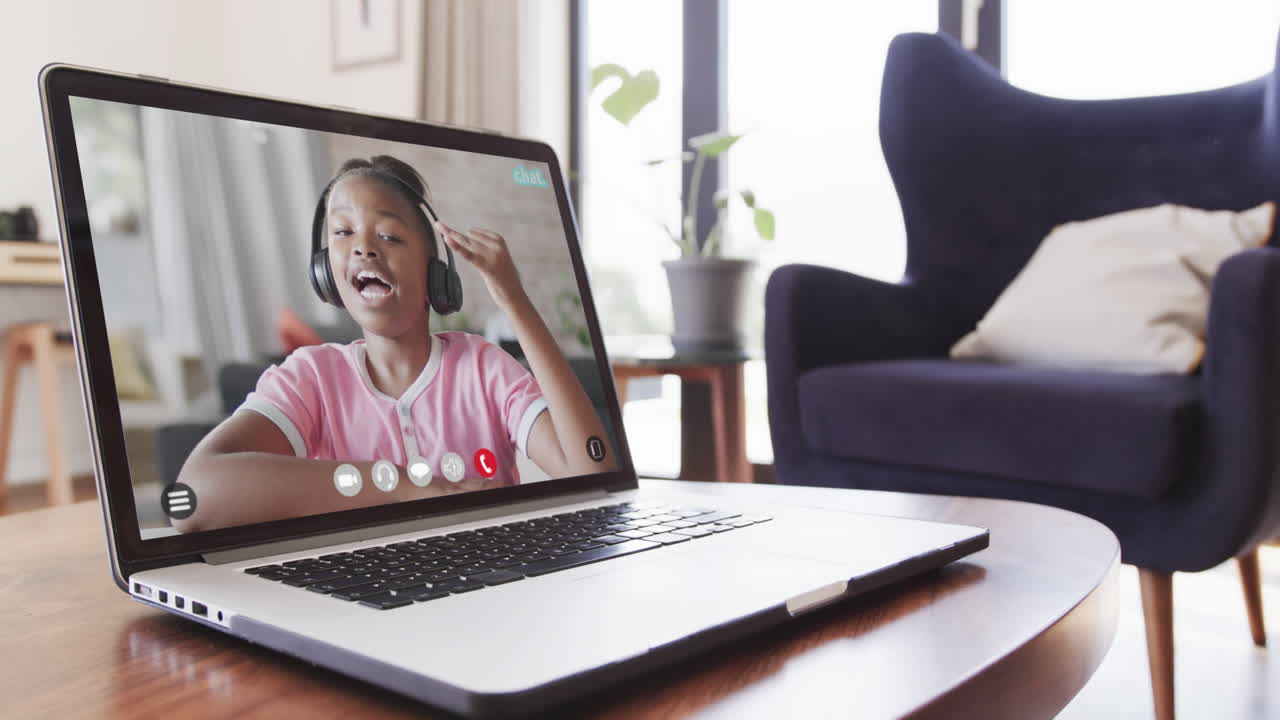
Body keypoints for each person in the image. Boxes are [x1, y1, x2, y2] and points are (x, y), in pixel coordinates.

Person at [173, 155, 612, 532]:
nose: (363, 247)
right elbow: (192, 497)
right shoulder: (311, 378)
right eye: (342, 232)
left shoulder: (484, 368)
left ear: (435, 273)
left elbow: (594, 476)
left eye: (389, 236)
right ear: (324, 270)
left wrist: (514, 299)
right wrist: (403, 486)